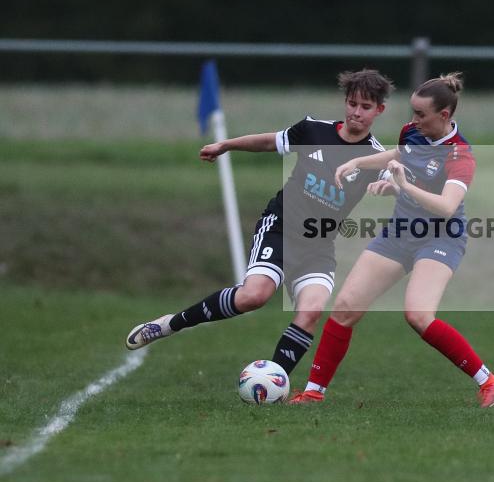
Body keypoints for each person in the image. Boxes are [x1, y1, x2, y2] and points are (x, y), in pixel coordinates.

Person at [126, 69, 395, 379]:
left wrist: (397, 186)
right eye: (352, 103)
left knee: (311, 311)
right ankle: (170, 324)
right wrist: (226, 145)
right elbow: (270, 142)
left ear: (379, 110)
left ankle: (273, 381)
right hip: (280, 229)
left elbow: (397, 182)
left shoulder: (376, 158)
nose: (356, 112)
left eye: (365, 107)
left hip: (318, 245)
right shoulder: (312, 131)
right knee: (253, 297)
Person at [287, 72, 494, 408]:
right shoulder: (413, 132)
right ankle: (314, 393)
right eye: (413, 113)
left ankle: (490, 382)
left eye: (421, 114)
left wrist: (404, 186)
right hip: (400, 231)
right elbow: (400, 155)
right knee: (347, 307)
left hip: (441, 236)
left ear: (444, 116)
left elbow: (448, 207)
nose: (412, 121)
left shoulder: (460, 156)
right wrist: (359, 161)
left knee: (418, 314)